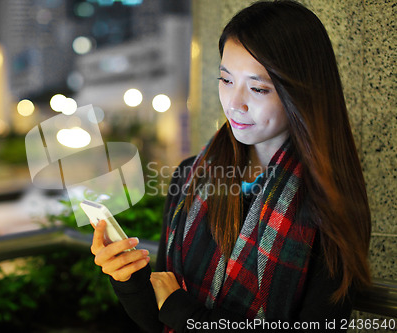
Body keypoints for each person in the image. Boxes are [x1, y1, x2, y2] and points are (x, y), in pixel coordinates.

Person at [91, 1, 372, 332]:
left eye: (258, 88)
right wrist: (128, 278)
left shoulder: (332, 202)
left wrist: (184, 312)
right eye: (226, 80)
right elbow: (158, 320)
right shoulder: (191, 175)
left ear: (302, 92)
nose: (235, 104)